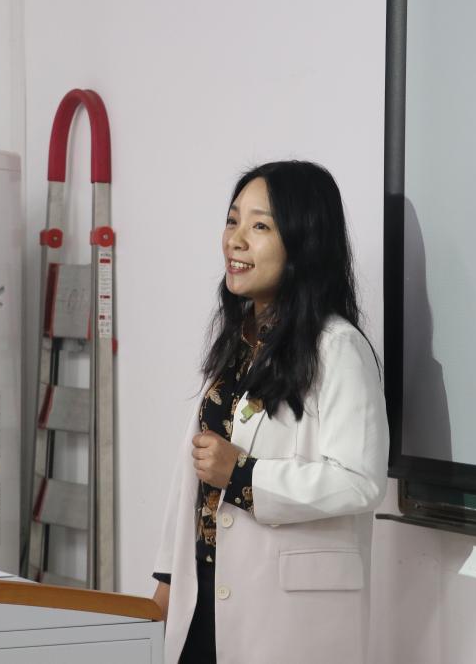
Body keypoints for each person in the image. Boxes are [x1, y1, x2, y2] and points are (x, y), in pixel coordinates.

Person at [152, 160, 389, 664]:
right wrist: (167, 580)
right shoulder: (238, 344)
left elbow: (360, 481)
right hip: (203, 596)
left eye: (259, 226)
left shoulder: (338, 348)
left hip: (285, 617)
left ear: (303, 244)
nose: (235, 240)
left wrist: (244, 474)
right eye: (232, 220)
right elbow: (193, 474)